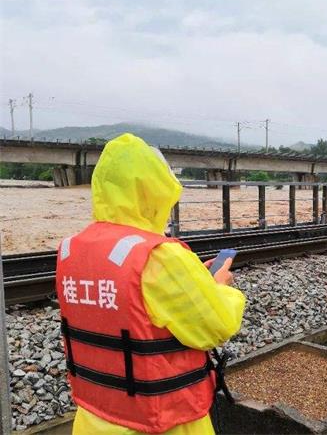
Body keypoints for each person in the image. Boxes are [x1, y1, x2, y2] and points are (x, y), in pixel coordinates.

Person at [55, 133, 245, 434]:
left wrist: (193, 277)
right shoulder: (160, 256)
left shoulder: (70, 250)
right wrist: (220, 287)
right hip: (163, 423)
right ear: (155, 192)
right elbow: (216, 326)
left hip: (93, 419)